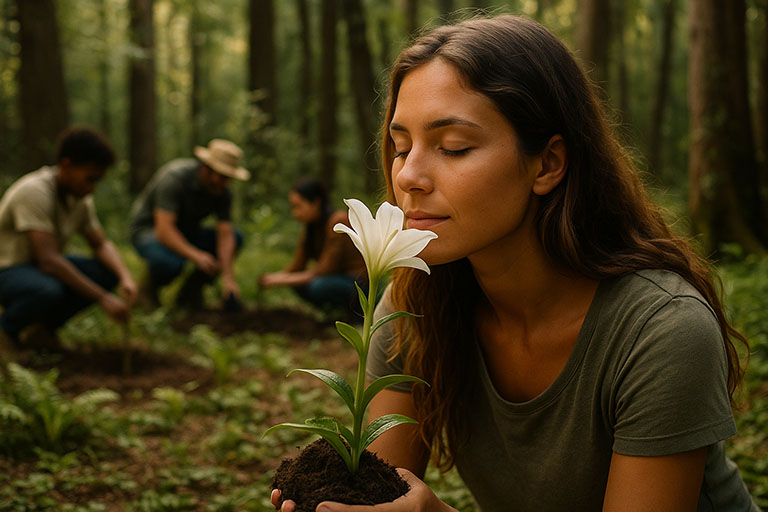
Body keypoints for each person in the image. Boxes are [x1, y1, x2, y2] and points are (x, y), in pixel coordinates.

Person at [272, 14, 760, 512]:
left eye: (453, 147)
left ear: (547, 164)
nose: (409, 176)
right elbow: (377, 490)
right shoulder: (413, 306)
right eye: (401, 147)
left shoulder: (659, 329)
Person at [0, 126, 137, 363]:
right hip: (9, 270)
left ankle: (41, 332)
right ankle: (5, 333)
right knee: (47, 289)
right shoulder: (34, 192)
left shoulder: (79, 198)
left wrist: (124, 276)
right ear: (66, 165)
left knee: (103, 272)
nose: (92, 187)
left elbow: (100, 244)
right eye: (90, 178)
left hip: (37, 272)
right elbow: (49, 261)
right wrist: (103, 298)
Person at [129, 139, 249, 311]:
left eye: (228, 178)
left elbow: (225, 234)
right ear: (208, 169)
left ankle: (190, 294)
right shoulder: (174, 178)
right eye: (222, 176)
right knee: (170, 263)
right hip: (149, 230)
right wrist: (197, 255)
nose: (225, 182)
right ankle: (147, 290)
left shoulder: (223, 192)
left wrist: (228, 278)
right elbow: (164, 230)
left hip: (187, 231)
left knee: (236, 238)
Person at [258, 177, 367, 317]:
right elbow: (297, 266)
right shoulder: (311, 228)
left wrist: (280, 280)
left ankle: (353, 314)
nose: (295, 213)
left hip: (356, 283)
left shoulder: (338, 221)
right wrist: (274, 277)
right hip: (333, 279)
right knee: (300, 283)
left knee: (318, 286)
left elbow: (324, 271)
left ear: (316, 202)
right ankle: (332, 314)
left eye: (298, 206)